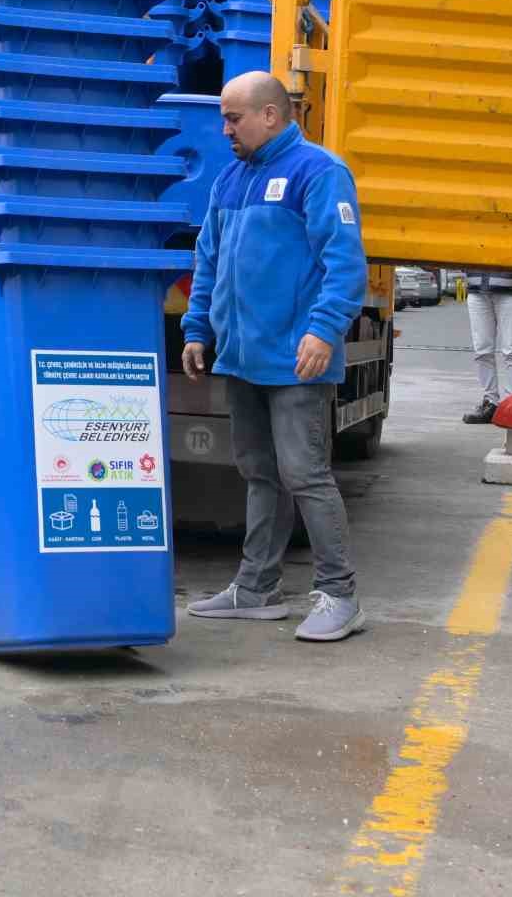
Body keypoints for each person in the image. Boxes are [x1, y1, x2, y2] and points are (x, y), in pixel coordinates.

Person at [181, 71, 370, 642]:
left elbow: (345, 262)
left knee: (305, 475)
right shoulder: (230, 179)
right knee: (260, 474)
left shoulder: (319, 172)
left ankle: (341, 595)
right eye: (222, 118)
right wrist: (196, 328)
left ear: (270, 114)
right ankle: (256, 588)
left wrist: (324, 330)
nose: (224, 130)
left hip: (296, 361)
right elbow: (208, 260)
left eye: (233, 118)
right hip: (242, 358)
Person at [462, 270, 512, 423]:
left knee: (511, 349)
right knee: (482, 350)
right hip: (477, 287)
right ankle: (491, 402)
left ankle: (511, 405)